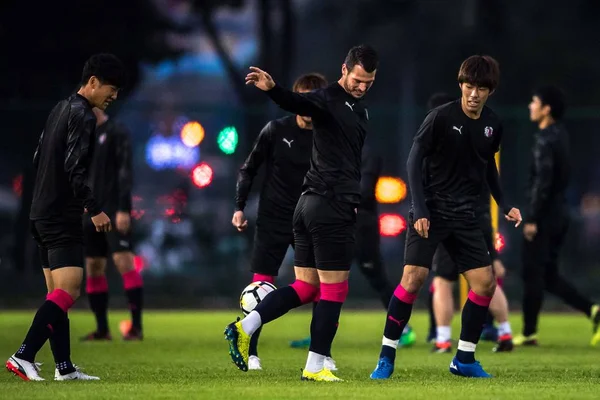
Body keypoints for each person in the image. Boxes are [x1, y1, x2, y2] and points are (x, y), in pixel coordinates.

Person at [225, 44, 378, 382]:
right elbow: (299, 103)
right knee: (334, 290)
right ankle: (314, 366)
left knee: (307, 288)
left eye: (368, 82)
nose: (361, 86)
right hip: (329, 205)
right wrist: (274, 89)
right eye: (357, 79)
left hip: (308, 205)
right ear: (344, 69)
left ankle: (245, 325)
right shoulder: (325, 99)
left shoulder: (358, 109)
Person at [370, 55, 522, 380]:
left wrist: (504, 203)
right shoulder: (440, 117)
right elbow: (413, 160)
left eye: (481, 88)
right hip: (432, 211)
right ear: (461, 85)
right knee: (413, 280)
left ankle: (464, 358)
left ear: (490, 91)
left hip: (466, 215)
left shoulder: (493, 124)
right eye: (469, 86)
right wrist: (420, 209)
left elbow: (488, 168)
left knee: (484, 284)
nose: (473, 94)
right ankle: (386, 356)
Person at [6, 53, 125, 381]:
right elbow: (75, 168)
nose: (114, 96)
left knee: (56, 293)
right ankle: (23, 355)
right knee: (70, 289)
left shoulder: (60, 108)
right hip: (60, 215)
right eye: (111, 88)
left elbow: (37, 157)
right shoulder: (84, 115)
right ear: (93, 82)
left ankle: (64, 368)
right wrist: (94, 207)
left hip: (39, 211)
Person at [231, 73, 329, 370]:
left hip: (309, 219)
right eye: (304, 99)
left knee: (319, 287)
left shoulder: (328, 135)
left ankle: (320, 354)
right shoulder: (275, 130)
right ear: (295, 99)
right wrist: (239, 207)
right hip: (273, 217)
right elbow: (249, 169)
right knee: (260, 286)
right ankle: (251, 352)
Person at [289, 143, 417, 351]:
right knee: (325, 278)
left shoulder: (368, 153)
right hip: (337, 224)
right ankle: (318, 333)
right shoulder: (336, 150)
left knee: (377, 278)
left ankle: (403, 328)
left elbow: (365, 190)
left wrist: (332, 195)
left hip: (362, 227)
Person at [516, 86, 600, 346]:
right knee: (548, 275)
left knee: (532, 272)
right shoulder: (561, 136)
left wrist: (532, 218)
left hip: (545, 216)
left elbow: (543, 182)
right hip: (559, 214)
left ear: (546, 109)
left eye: (534, 101)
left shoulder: (545, 139)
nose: (530, 106)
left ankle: (529, 333)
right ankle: (593, 310)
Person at [80, 107, 143, 342]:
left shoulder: (117, 132)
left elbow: (125, 172)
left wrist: (124, 208)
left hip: (114, 209)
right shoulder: (82, 135)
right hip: (90, 212)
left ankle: (136, 328)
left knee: (123, 261)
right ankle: (102, 329)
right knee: (94, 266)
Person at [430, 182, 514, 354]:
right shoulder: (480, 158)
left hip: (451, 219)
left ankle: (443, 340)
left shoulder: (447, 161)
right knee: (487, 282)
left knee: (443, 281)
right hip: (478, 221)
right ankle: (505, 333)